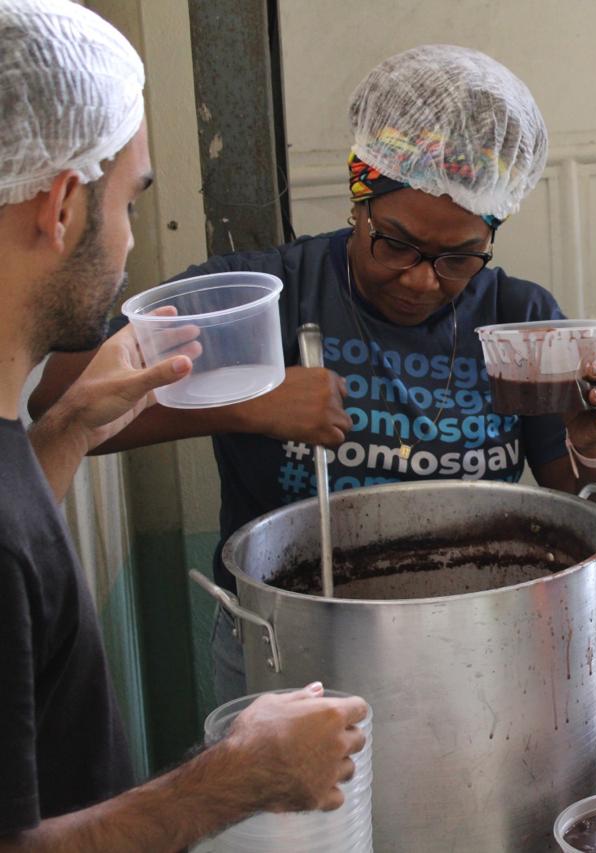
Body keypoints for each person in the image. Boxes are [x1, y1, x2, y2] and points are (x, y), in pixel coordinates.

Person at [31, 43, 596, 705]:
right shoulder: (266, 298)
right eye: (396, 244)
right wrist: (244, 400)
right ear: (358, 199)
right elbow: (59, 398)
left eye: (459, 258)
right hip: (289, 649)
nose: (421, 278)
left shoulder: (516, 317)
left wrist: (594, 438)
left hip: (467, 653)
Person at [0, 2, 368, 848]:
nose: (131, 242)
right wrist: (237, 778)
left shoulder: (18, 435)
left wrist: (70, 434)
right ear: (60, 208)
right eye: (130, 202)